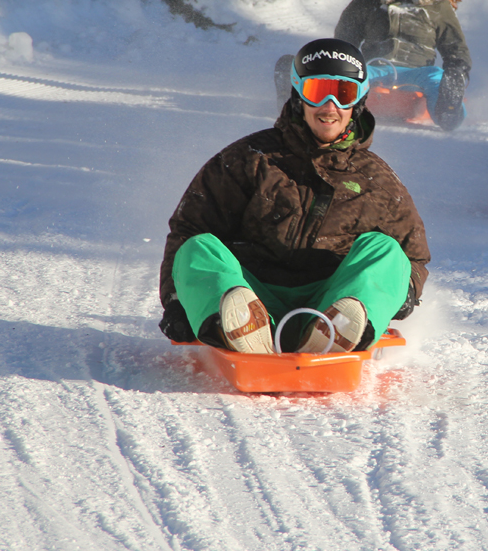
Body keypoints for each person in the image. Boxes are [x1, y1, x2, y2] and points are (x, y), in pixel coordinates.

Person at [159, 38, 430, 355]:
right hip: (253, 293)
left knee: (385, 250)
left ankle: (339, 326)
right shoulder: (252, 158)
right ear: (299, 96)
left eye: (343, 94)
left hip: (328, 299)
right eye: (318, 92)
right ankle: (239, 323)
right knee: (199, 247)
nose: (330, 106)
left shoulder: (377, 180)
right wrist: (177, 301)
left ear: (358, 103)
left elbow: (413, 256)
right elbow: (189, 228)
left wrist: (403, 292)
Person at [277, 0, 473, 131]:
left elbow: (456, 49)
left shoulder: (438, 6)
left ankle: (448, 112)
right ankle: (296, 99)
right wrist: (338, 67)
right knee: (342, 81)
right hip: (374, 68)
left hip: (419, 74)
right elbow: (346, 37)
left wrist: (455, 75)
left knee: (437, 78)